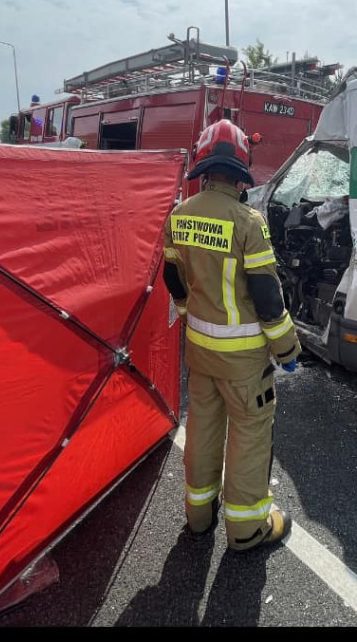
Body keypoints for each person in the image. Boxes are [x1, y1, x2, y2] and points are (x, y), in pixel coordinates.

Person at [162, 118, 301, 552]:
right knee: (249, 437)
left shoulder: (179, 215)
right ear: (241, 172)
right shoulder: (248, 221)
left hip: (200, 354)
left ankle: (198, 517)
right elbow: (267, 297)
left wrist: (189, 314)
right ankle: (246, 530)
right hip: (244, 363)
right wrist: (287, 348)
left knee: (202, 429)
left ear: (203, 168)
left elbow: (173, 278)